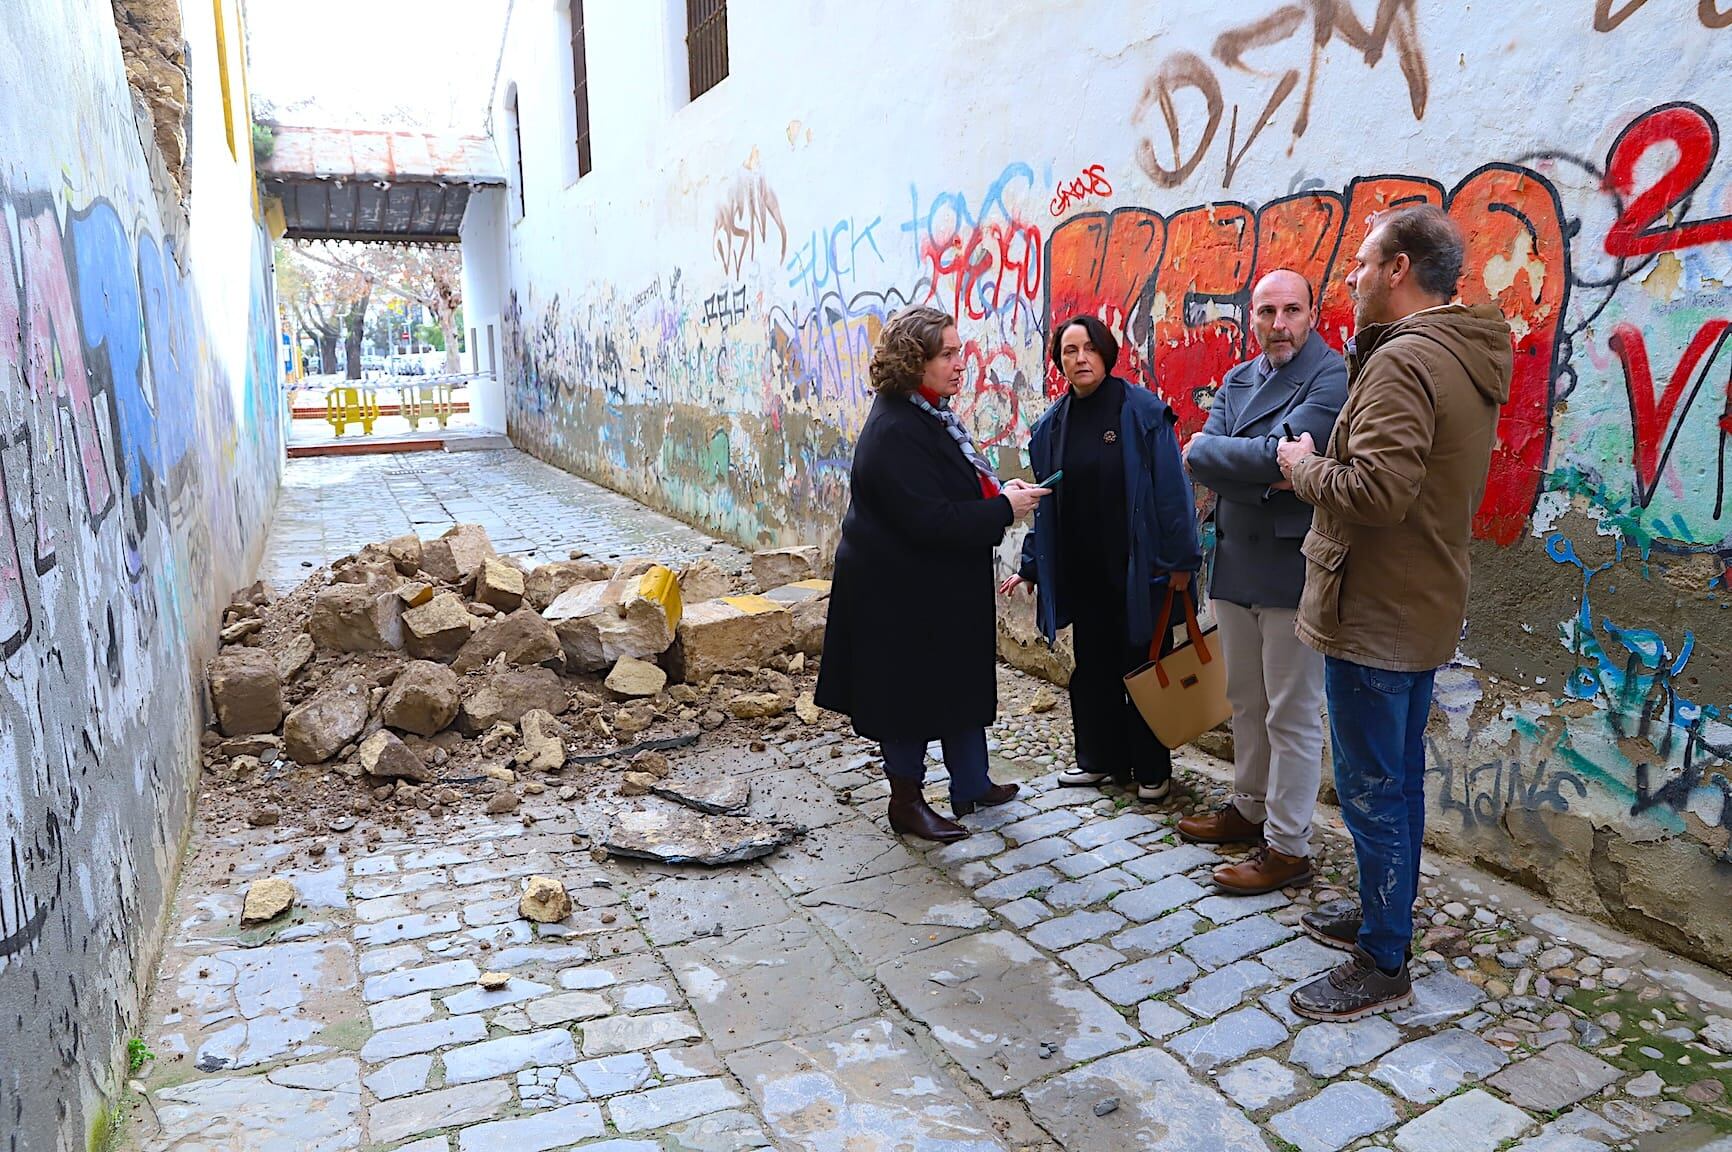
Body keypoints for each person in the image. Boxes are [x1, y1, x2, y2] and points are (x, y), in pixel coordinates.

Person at [1276, 205, 1511, 1019]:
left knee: (1374, 791)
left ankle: (1382, 961)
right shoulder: (1457, 349)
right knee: (1396, 783)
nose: (1352, 276)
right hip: (1416, 602)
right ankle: (1386, 917)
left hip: (1377, 613)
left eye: (1363, 262)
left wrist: (1302, 466)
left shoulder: (1407, 359)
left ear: (1399, 268)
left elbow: (1376, 491)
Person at [815, 306, 1049, 843]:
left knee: (957, 681)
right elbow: (928, 519)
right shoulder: (896, 428)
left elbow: (950, 489)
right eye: (947, 354)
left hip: (937, 582)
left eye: (958, 352)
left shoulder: (928, 413)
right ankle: (906, 802)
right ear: (913, 361)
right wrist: (1003, 510)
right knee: (908, 698)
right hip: (897, 592)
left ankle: (971, 783)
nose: (960, 363)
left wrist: (999, 493)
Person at [1178, 270, 1348, 895]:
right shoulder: (1237, 378)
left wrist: (1232, 460)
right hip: (1234, 560)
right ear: (1251, 317)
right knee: (1245, 699)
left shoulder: (1330, 374)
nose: (1279, 325)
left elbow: (1286, 454)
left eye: (1291, 310)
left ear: (1312, 314)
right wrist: (1262, 471)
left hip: (1290, 563)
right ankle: (1248, 808)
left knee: (1292, 712)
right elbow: (1201, 457)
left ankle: (1287, 846)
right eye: (1267, 312)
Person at [1001, 315, 1201, 803]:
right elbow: (1047, 503)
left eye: (1089, 348)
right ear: (1060, 362)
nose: (1080, 358)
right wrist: (1031, 565)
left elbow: (1172, 494)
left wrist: (1181, 561)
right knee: (1092, 669)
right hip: (1084, 570)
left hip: (1140, 569)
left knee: (1144, 666)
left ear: (1106, 353)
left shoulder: (1141, 413)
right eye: (1069, 351)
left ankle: (1151, 768)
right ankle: (1099, 760)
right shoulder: (1053, 426)